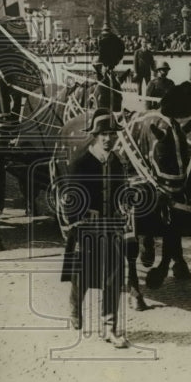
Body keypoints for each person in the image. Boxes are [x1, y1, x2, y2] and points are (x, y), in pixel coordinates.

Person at [59, 110, 129, 348]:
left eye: (112, 134)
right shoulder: (81, 163)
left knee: (113, 277)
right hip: (87, 230)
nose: (109, 139)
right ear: (95, 136)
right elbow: (70, 200)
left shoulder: (117, 161)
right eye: (104, 135)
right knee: (83, 277)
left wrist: (125, 204)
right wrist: (83, 214)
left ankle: (109, 328)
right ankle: (75, 308)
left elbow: (121, 191)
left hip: (112, 230)